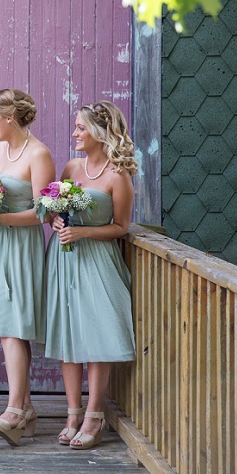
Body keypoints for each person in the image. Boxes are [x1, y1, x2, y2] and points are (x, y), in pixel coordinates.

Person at [44, 100, 137, 450]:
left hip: (98, 260)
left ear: (100, 132)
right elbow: (56, 209)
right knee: (69, 336)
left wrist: (83, 233)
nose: (75, 133)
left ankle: (94, 415)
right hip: (65, 259)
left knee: (97, 337)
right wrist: (55, 221)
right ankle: (72, 413)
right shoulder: (70, 167)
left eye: (81, 127)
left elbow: (121, 226)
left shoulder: (118, 174)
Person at [0, 88, 56, 446]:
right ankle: (27, 411)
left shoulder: (38, 154)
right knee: (7, 325)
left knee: (14, 325)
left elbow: (44, 212)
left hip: (21, 245)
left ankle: (13, 411)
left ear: (9, 117)